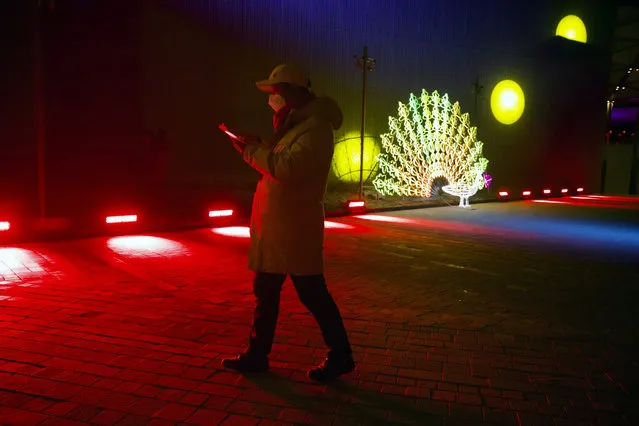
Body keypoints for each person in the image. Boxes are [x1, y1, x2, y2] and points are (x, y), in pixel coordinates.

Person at [222, 63, 355, 381]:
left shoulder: (317, 128)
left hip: (295, 230)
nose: (273, 99)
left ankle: (341, 356)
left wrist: (253, 151)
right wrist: (259, 145)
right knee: (265, 292)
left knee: (312, 294)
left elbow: (288, 169)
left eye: (277, 92)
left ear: (296, 92)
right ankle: (257, 356)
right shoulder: (296, 126)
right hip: (279, 228)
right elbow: (282, 159)